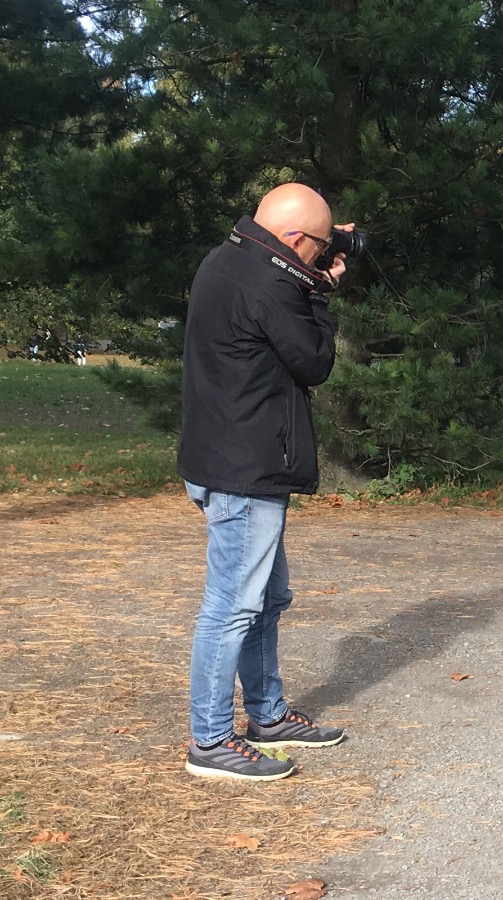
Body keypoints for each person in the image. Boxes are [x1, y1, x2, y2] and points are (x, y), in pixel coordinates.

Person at [177, 183, 353, 781]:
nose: (321, 258)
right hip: (244, 470)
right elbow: (314, 361)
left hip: (223, 457)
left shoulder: (226, 258)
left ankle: (267, 715)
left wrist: (309, 280)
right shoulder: (274, 282)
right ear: (297, 239)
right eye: (321, 247)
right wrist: (323, 293)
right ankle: (210, 740)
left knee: (266, 598)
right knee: (231, 606)